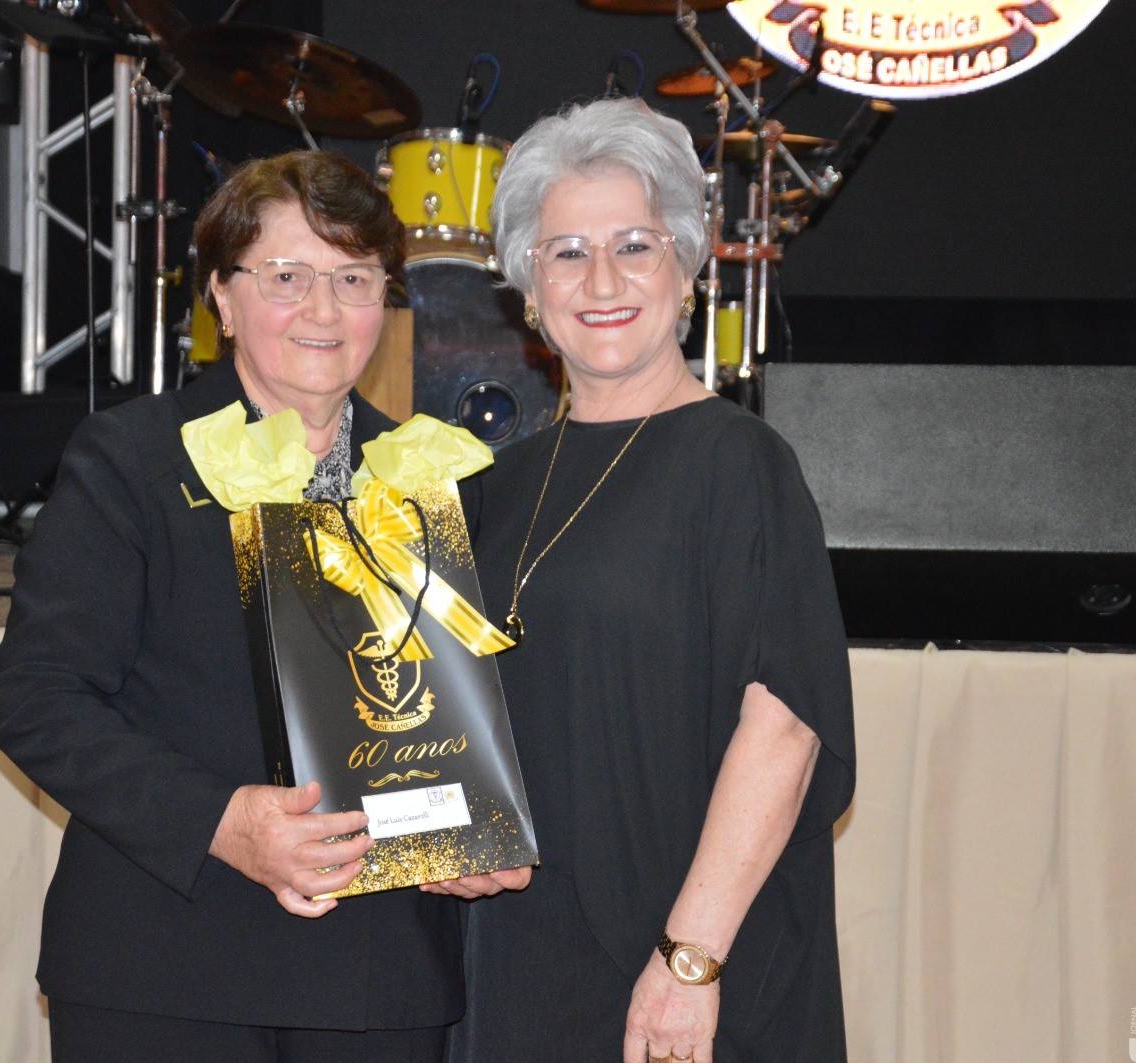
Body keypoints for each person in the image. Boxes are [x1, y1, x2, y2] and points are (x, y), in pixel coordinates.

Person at [0, 150, 520, 1063]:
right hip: (164, 970)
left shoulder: (435, 476)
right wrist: (222, 822)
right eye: (286, 276)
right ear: (222, 298)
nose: (323, 310)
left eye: (354, 279)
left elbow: (463, 716)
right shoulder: (131, 460)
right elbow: (37, 700)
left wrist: (472, 829)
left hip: (377, 984)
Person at [451, 97, 857, 1063]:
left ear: (685, 264)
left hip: (687, 967)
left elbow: (785, 725)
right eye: (566, 252)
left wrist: (688, 963)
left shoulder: (740, 464)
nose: (601, 280)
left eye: (634, 245)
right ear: (526, 284)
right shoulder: (491, 489)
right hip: (520, 962)